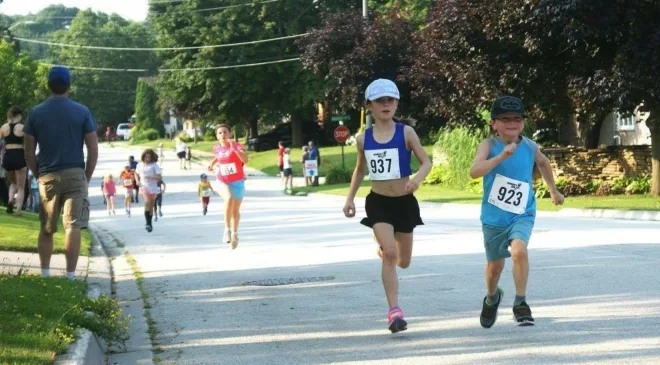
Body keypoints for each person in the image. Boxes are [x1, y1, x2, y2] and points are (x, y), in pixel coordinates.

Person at [343, 79, 432, 334]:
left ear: (396, 103)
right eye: (380, 100)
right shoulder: (363, 139)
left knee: (403, 261)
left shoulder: (406, 133)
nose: (385, 104)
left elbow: (426, 162)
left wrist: (415, 180)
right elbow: (360, 170)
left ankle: (385, 249)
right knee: (391, 254)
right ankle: (394, 312)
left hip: (404, 203)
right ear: (369, 105)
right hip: (378, 202)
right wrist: (350, 198)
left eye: (390, 100)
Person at [469, 96, 564, 328]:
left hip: (522, 212)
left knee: (519, 251)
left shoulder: (530, 146)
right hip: (494, 217)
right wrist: (501, 156)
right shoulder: (489, 146)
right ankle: (491, 298)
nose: (512, 123)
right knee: (495, 268)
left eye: (517, 119)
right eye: (505, 119)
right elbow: (474, 171)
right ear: (494, 123)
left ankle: (521, 302)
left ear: (523, 122)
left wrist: (553, 190)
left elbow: (543, 162)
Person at [23, 65, 99, 280]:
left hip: (47, 175)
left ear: (49, 85)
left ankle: (45, 273)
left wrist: (38, 174)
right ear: (69, 85)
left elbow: (28, 151)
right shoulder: (82, 111)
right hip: (75, 173)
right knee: (72, 226)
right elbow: (93, 148)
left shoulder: (36, 113)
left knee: (47, 226)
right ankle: (71, 275)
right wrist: (86, 175)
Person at [208, 124, 249, 249]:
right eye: (220, 133)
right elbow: (219, 156)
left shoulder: (237, 145)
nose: (223, 135)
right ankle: (227, 229)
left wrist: (235, 150)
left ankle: (235, 234)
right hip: (222, 180)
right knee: (229, 198)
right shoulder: (217, 148)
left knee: (235, 211)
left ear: (230, 134)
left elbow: (245, 160)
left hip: (237, 181)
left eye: (225, 132)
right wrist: (212, 163)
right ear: (217, 136)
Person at [1, 106, 27, 216]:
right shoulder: (23, 127)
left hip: (7, 156)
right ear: (19, 115)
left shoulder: (3, 127)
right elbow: (28, 144)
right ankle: (18, 210)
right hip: (19, 155)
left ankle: (10, 200)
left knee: (13, 182)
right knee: (21, 186)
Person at [134, 149, 162, 233]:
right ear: (143, 157)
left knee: (151, 206)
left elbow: (159, 177)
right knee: (147, 202)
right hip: (144, 186)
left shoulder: (154, 165)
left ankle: (150, 223)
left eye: (149, 157)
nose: (147, 159)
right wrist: (137, 181)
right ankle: (147, 223)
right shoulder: (140, 165)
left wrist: (151, 177)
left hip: (153, 187)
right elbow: (136, 173)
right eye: (146, 157)